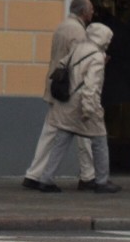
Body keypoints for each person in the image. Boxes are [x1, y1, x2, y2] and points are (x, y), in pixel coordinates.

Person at [22, 0, 97, 193]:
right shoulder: (78, 31)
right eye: (91, 9)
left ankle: (34, 174)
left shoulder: (63, 26)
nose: (93, 12)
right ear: (83, 12)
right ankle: (88, 177)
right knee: (84, 131)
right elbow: (80, 60)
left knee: (50, 131)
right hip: (70, 90)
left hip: (57, 86)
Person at [37, 23, 122, 194]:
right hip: (83, 106)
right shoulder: (97, 57)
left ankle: (46, 178)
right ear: (103, 38)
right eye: (108, 39)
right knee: (100, 141)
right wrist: (89, 111)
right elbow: (92, 87)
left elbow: (62, 64)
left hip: (66, 103)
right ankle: (102, 181)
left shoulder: (78, 48)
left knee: (61, 141)